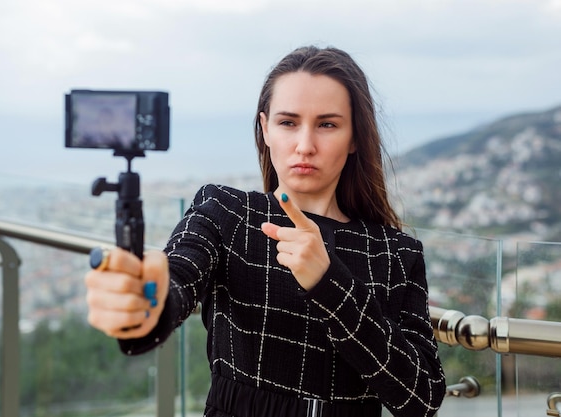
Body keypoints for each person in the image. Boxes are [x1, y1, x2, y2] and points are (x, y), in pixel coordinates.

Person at [85, 45, 446, 416]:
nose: (305, 146)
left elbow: (422, 398)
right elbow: (176, 281)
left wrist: (330, 283)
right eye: (288, 123)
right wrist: (143, 304)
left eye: (327, 124)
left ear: (355, 137)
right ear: (265, 129)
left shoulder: (395, 252)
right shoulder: (228, 213)